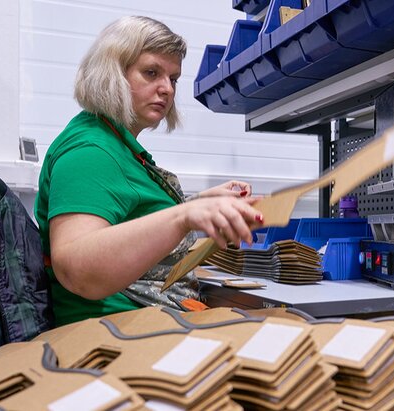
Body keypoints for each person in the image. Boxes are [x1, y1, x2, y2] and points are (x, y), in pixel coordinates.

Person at [35, 16, 262, 327]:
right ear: (112, 73)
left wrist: (199, 205)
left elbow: (128, 221)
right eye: (152, 73)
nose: (167, 89)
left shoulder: (118, 146)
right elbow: (77, 269)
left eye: (173, 78)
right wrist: (184, 216)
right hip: (113, 331)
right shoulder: (90, 152)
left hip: (140, 322)